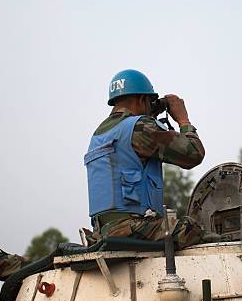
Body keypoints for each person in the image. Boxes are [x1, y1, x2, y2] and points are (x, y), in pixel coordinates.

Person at [84, 69, 207, 249]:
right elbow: (194, 154)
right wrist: (183, 120)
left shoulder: (99, 135)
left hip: (101, 232)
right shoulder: (141, 127)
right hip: (132, 229)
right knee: (192, 229)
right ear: (142, 99)